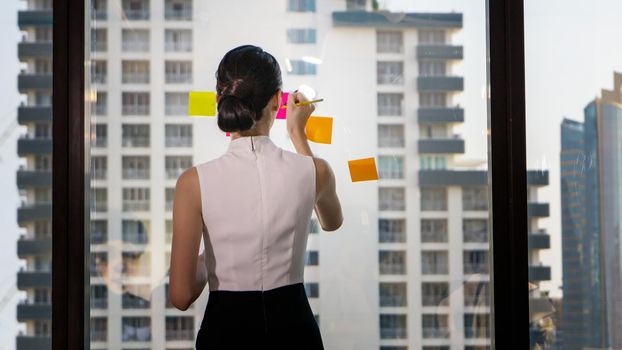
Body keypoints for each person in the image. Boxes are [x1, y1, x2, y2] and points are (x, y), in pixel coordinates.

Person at [168, 45, 343, 349]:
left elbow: (181, 296)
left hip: (225, 334)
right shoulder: (317, 172)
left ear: (218, 100)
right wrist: (297, 134)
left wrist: (219, 253)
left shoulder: (193, 183)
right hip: (296, 332)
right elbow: (332, 221)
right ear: (278, 100)